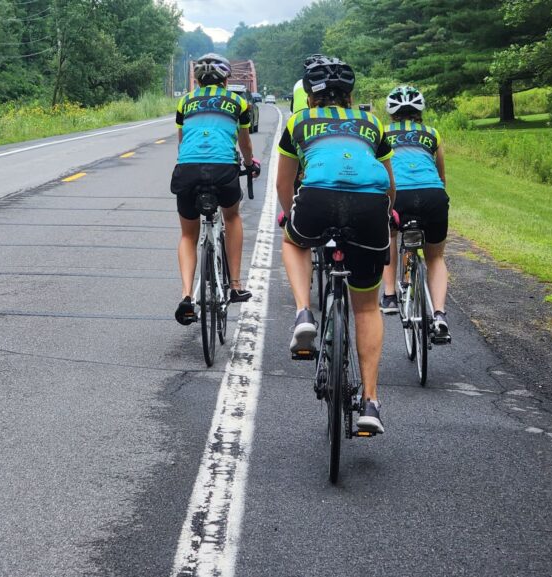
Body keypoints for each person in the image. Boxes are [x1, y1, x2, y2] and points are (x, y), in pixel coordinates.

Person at [277, 57, 396, 434]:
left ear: (309, 95)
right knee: (367, 307)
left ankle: (303, 314)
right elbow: (389, 185)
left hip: (316, 200)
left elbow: (284, 183)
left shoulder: (298, 122)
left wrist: (290, 217)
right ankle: (371, 402)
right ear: (350, 95)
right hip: (369, 208)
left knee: (293, 241)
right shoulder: (372, 123)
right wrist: (385, 215)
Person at [172, 53, 260, 325]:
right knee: (231, 217)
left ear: (197, 81)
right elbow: (245, 143)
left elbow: (181, 140)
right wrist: (250, 164)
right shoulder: (238, 102)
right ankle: (235, 285)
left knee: (188, 235)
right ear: (225, 80)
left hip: (187, 168)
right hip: (223, 169)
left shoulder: (185, 101)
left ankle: (187, 296)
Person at [379, 86, 450, 340]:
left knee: (390, 236)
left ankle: (389, 296)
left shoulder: (383, 133)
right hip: (433, 196)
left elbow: (378, 170)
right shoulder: (431, 134)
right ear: (420, 110)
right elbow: (441, 175)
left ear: (391, 112)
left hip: (399, 195)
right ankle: (439, 314)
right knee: (436, 257)